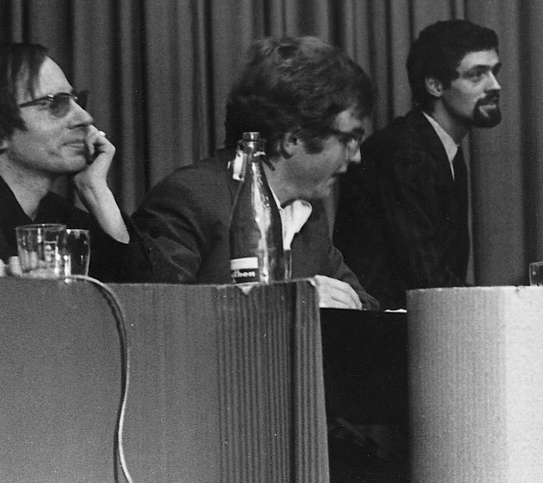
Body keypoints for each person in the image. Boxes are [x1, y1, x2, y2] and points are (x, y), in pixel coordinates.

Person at [136, 36, 379, 310]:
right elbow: (160, 317)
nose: (356, 156)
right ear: (293, 139)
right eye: (349, 139)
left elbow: (362, 303)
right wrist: (290, 301)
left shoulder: (309, 214)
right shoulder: (188, 199)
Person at [0, 43, 162, 281]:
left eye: (77, 101)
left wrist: (96, 191)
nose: (85, 117)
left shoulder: (61, 216)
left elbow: (142, 305)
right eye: (55, 104)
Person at [333, 19, 502, 309]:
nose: (495, 86)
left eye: (494, 72)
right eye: (477, 76)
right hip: (378, 336)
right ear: (435, 85)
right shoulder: (403, 153)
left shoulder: (442, 148)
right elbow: (429, 282)